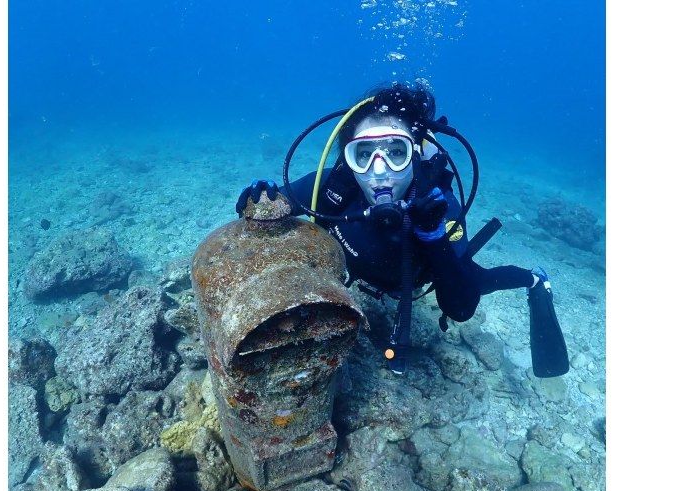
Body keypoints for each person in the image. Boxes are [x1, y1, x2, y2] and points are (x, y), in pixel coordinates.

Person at [235, 82, 568, 378]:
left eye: (396, 152)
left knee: (478, 280)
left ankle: (534, 279)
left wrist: (433, 234)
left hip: (419, 277)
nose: (379, 172)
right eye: (363, 154)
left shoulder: (438, 205)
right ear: (348, 158)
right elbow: (273, 206)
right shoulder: (337, 184)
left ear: (415, 155)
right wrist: (261, 197)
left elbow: (460, 309)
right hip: (363, 275)